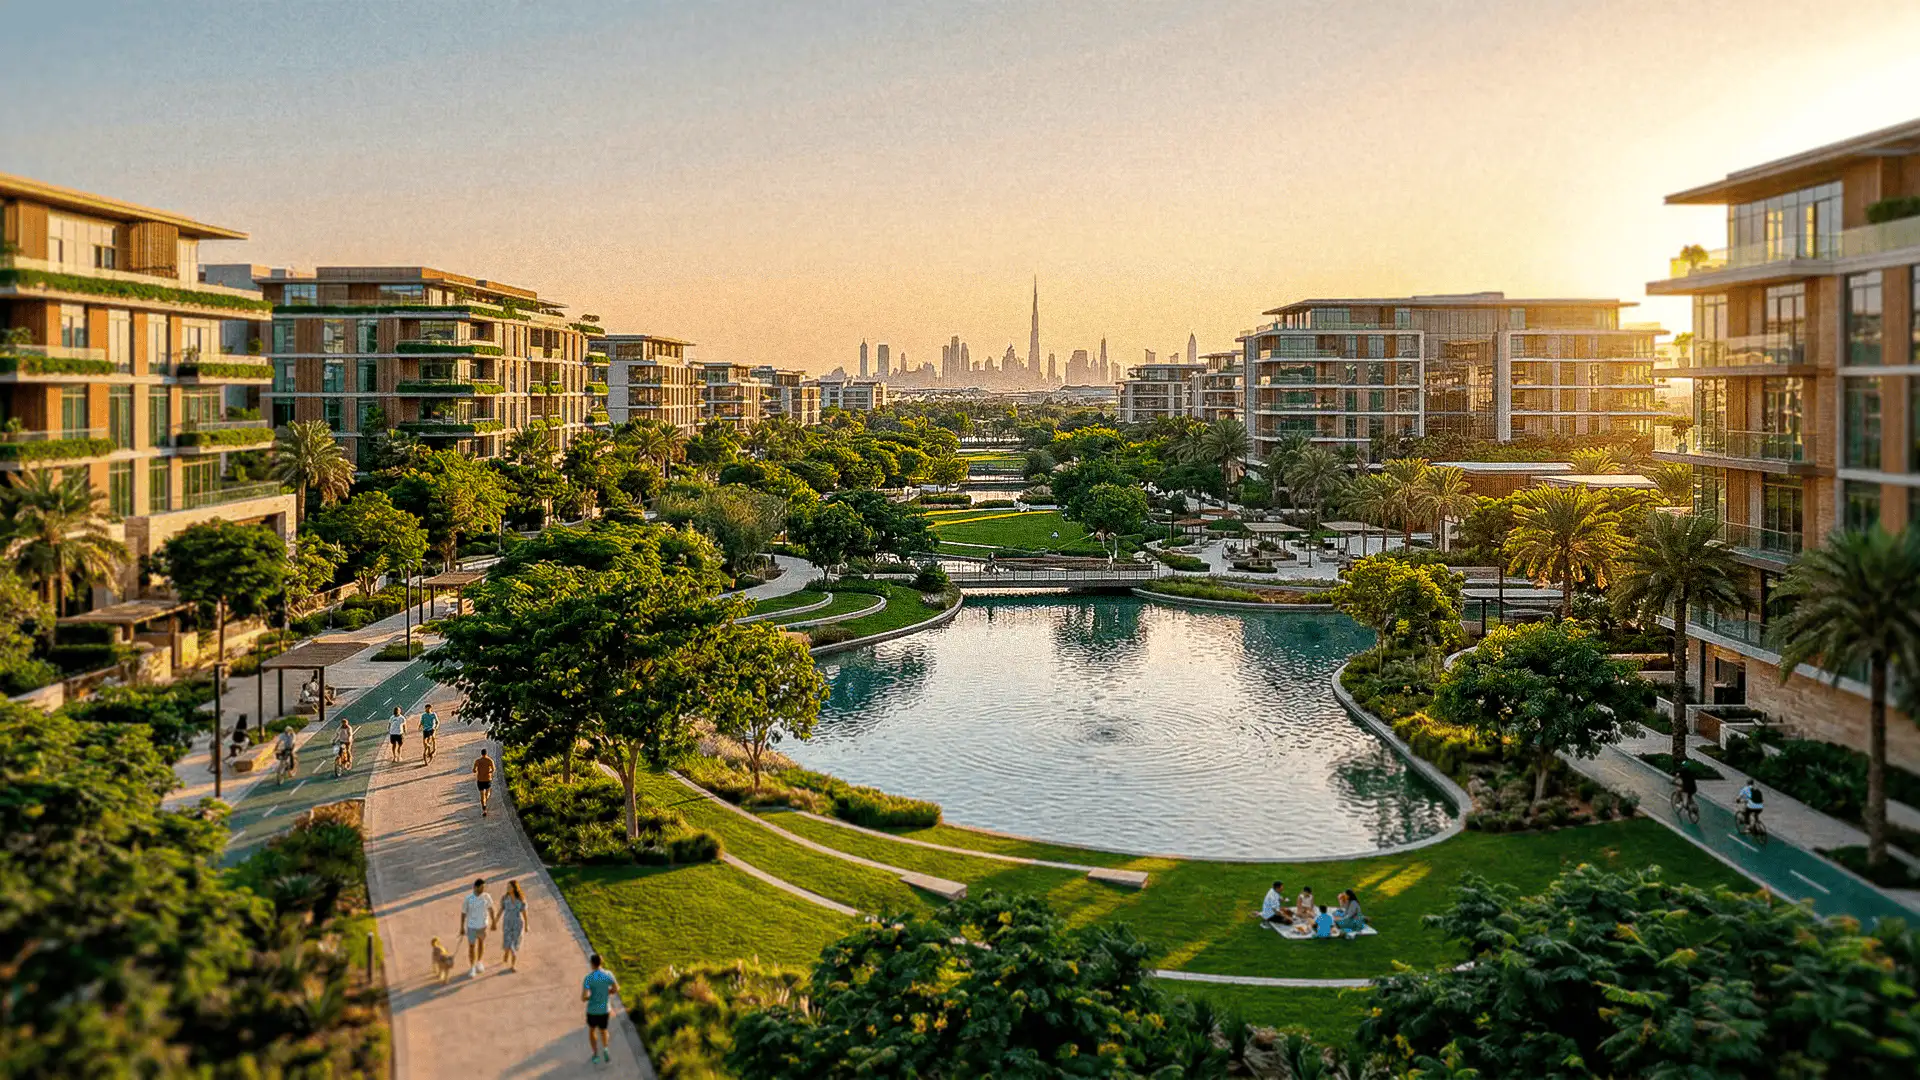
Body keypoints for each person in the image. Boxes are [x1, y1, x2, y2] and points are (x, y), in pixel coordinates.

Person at [582, 952, 620, 1065]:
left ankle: (595, 1055)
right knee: (603, 1030)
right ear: (601, 962)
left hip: (592, 1011)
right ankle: (605, 1049)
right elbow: (616, 988)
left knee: (592, 1030)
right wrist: (608, 992)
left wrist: (591, 997)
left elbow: (584, 997)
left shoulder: (588, 978)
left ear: (592, 964)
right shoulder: (608, 974)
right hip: (605, 1010)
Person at [459, 878, 495, 977]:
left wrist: (494, 922)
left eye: (484, 887)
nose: (483, 889)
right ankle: (472, 967)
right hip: (471, 926)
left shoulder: (486, 897)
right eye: (481, 887)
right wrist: (461, 927)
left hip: (483, 926)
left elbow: (491, 909)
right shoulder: (468, 899)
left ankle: (479, 962)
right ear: (475, 887)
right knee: (471, 947)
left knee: (481, 943)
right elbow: (463, 913)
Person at [500, 879, 529, 972]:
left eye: (509, 886)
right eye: (507, 886)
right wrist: (495, 920)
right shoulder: (504, 898)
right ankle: (506, 952)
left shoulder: (521, 900)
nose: (507, 888)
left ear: (514, 888)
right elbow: (501, 909)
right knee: (507, 941)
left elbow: (524, 913)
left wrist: (526, 925)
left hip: (517, 924)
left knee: (514, 944)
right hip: (507, 923)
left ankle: (512, 965)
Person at [473, 748, 496, 816]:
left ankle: (484, 810)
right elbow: (493, 769)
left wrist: (477, 771)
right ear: (486, 753)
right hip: (487, 779)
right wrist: (488, 772)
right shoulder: (490, 760)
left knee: (482, 795)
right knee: (487, 794)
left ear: (481, 754)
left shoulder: (477, 761)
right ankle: (485, 801)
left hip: (480, 780)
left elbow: (474, 770)